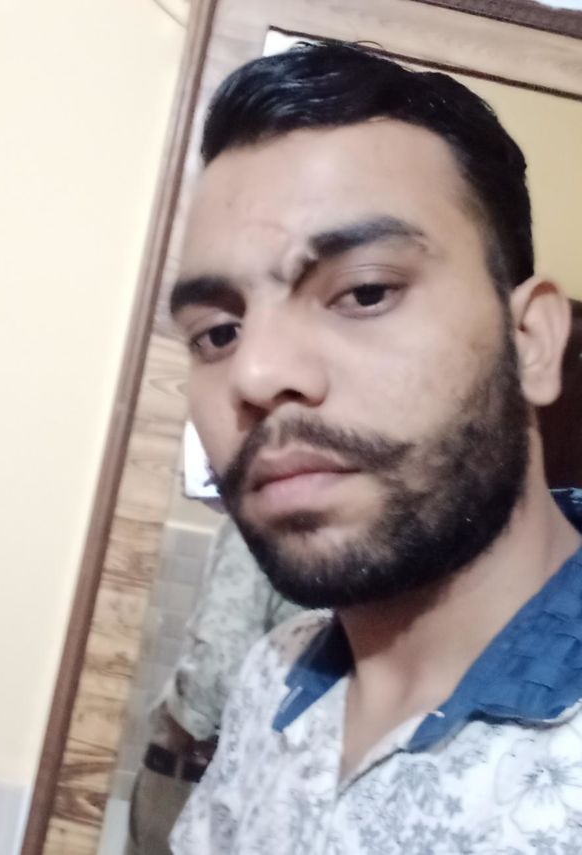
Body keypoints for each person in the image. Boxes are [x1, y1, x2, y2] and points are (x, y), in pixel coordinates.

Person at [167, 40, 582, 852]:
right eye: (218, 332)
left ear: (531, 342)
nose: (255, 373)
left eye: (363, 291)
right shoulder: (276, 674)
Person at [125, 518, 300, 855]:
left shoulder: (257, 522)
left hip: (195, 778)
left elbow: (216, 666)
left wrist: (189, 731)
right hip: (272, 794)